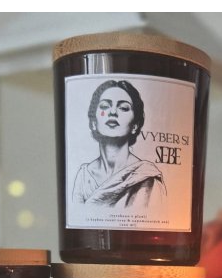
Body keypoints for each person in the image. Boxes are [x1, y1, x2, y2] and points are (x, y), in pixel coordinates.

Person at [71, 80, 167, 210]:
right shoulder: (83, 177)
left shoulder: (146, 177)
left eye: (123, 108)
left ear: (135, 126)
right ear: (93, 122)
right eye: (105, 106)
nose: (113, 112)